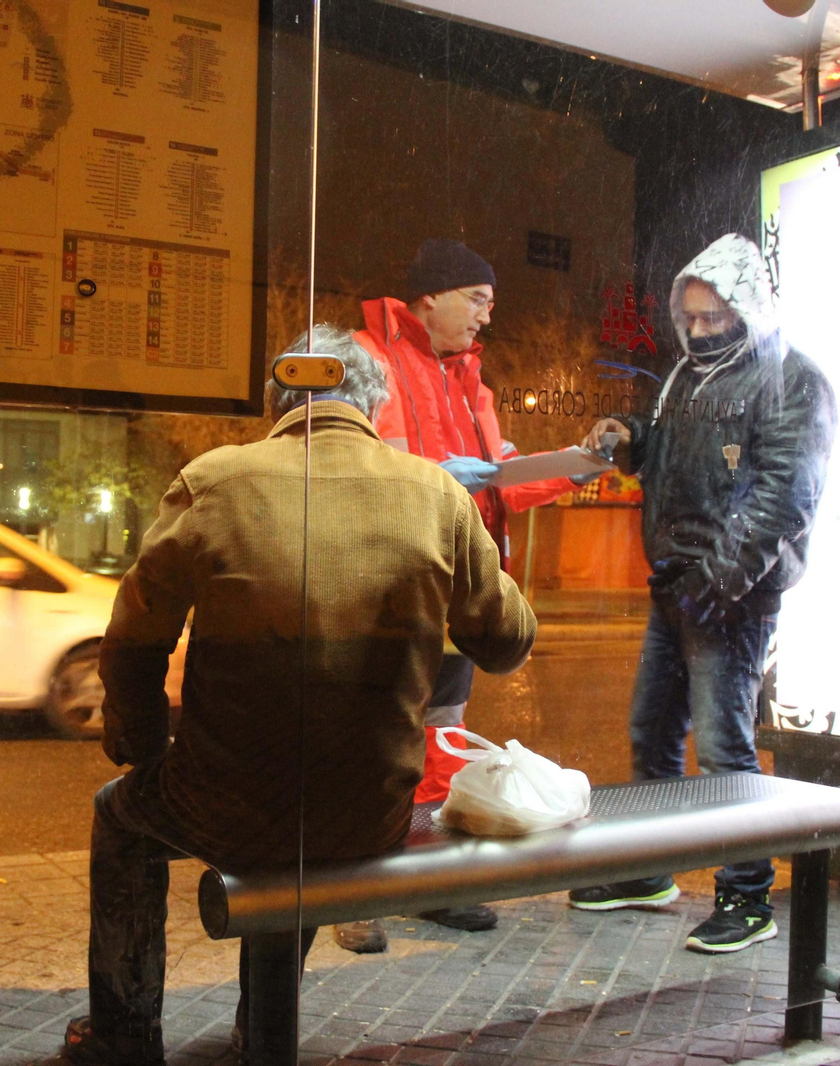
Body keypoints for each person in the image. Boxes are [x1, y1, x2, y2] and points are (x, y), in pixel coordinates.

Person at [60, 325, 537, 1066]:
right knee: (320, 807)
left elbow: (133, 637)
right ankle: (260, 1028)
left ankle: (123, 1037)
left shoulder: (215, 481)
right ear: (374, 406)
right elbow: (507, 642)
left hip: (225, 800)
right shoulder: (435, 493)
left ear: (278, 401)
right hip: (371, 808)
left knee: (121, 818)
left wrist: (142, 747)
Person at [575, 233, 836, 953]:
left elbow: (782, 499)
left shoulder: (791, 379)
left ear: (745, 308)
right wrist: (631, 437)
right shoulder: (687, 377)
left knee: (724, 749)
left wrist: (716, 585)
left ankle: (747, 897)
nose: (695, 330)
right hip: (679, 585)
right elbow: (672, 456)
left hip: (731, 596)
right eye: (688, 317)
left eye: (711, 317)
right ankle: (647, 870)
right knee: (653, 733)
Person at [343, 237, 595, 950]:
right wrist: (437, 474)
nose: (487, 315)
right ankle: (351, 894)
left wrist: (570, 468)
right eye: (478, 300)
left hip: (456, 585)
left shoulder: (470, 380)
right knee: (374, 739)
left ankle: (431, 882)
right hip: (388, 582)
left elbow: (500, 478)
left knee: (441, 736)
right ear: (431, 298)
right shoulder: (366, 358)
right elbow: (351, 460)